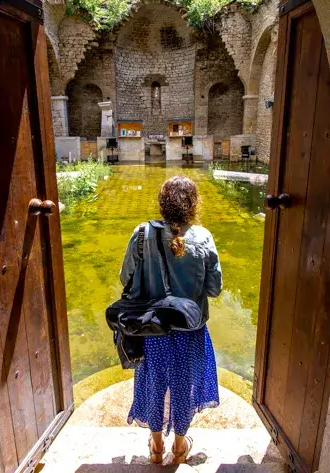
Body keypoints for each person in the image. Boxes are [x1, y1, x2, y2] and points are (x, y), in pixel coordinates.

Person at [119, 175, 223, 465]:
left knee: (154, 383)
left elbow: (125, 278)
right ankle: (179, 449)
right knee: (184, 385)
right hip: (190, 331)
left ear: (162, 204)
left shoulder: (141, 234)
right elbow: (214, 289)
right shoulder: (203, 238)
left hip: (152, 329)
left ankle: (155, 448)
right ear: (193, 204)